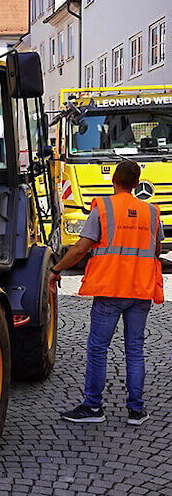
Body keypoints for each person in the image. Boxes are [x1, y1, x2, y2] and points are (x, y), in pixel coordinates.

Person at [51, 160, 163, 425]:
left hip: (111, 289)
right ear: (137, 184)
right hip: (140, 290)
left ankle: (93, 408)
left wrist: (55, 269)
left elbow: (80, 248)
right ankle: (136, 410)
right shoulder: (151, 211)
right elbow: (156, 251)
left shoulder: (104, 208)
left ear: (114, 180)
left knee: (98, 348)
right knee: (135, 349)